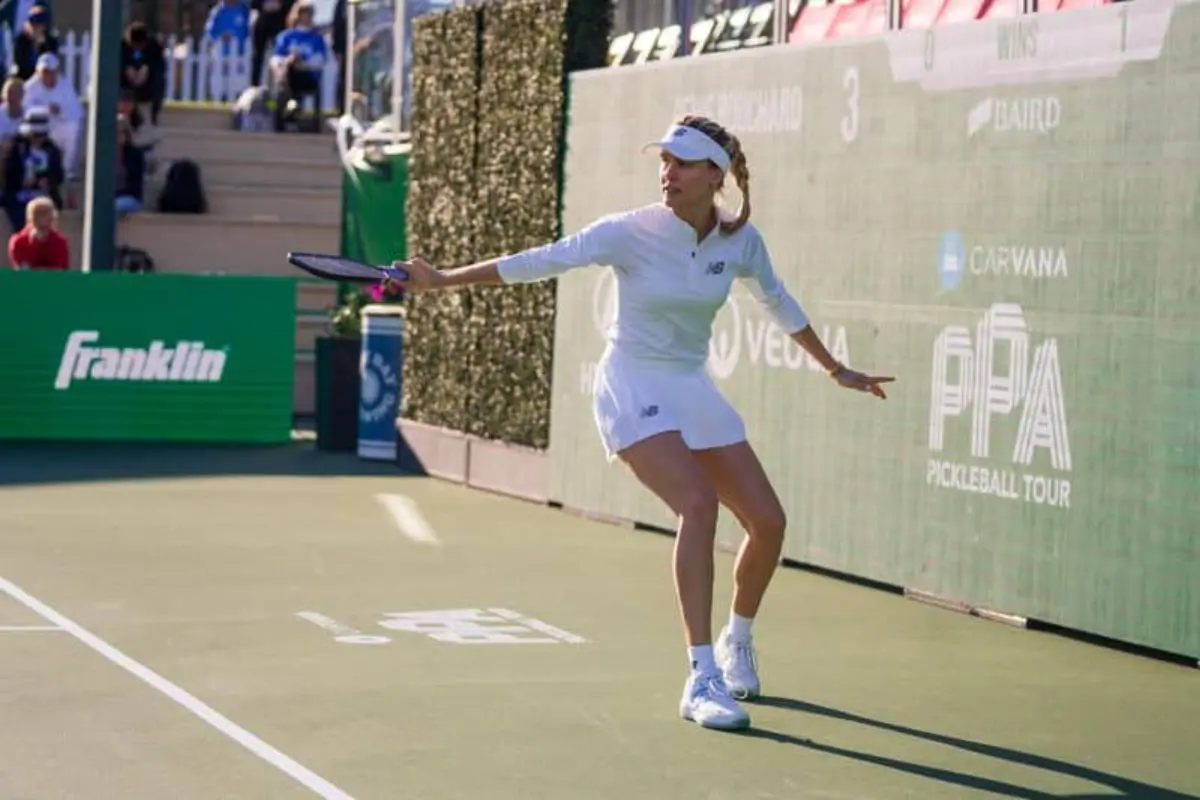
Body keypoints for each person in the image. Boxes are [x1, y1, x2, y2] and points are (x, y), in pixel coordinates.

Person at [385, 114, 895, 732]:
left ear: (715, 176)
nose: (667, 172)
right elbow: (545, 259)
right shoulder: (630, 231)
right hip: (631, 380)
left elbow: (779, 302)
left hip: (689, 383)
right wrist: (442, 280)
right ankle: (700, 675)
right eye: (664, 161)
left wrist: (834, 367)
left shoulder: (740, 241)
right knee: (699, 505)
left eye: (681, 163)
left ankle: (738, 640)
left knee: (768, 522)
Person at [8, 195, 68, 270]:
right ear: (30, 217)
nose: (41, 218)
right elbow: (22, 271)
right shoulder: (19, 242)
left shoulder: (59, 242)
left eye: (45, 213)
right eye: (37, 213)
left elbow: (61, 271)